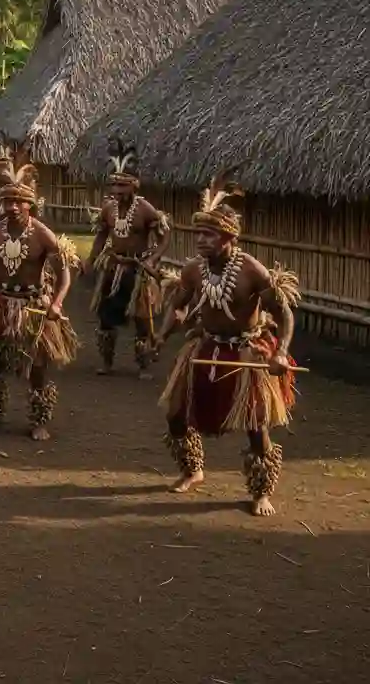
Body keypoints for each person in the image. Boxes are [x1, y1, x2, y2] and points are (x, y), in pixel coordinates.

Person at [154, 175, 299, 517]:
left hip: (246, 352)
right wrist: (161, 335)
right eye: (198, 234)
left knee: (255, 425)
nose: (200, 241)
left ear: (229, 238)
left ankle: (261, 491)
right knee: (176, 414)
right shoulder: (193, 270)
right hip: (205, 347)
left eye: (209, 235)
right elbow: (179, 306)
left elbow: (285, 313)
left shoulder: (251, 270)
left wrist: (279, 352)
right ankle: (192, 470)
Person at [0, 164, 79, 438]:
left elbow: (64, 278)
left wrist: (57, 304)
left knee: (37, 366)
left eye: (19, 202)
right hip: (0, 304)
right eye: (7, 201)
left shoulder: (44, 235)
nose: (13, 207)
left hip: (33, 308)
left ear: (30, 204)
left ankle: (39, 420)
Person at [83, 138, 172, 378]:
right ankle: (107, 362)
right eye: (114, 186)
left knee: (142, 319)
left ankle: (143, 365)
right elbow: (101, 236)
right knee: (105, 317)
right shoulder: (108, 209)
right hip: (113, 269)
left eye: (122, 187)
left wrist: (152, 260)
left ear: (134, 186)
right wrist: (91, 260)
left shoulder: (145, 210)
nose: (117, 192)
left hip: (138, 270)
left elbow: (164, 237)